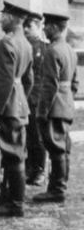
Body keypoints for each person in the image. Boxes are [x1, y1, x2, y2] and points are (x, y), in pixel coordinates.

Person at [0, 1, 34, 218]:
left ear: (13, 19)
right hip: (19, 105)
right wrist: (21, 98)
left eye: (3, 16)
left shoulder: (6, 44)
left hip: (8, 108)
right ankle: (9, 199)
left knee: (13, 155)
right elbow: (29, 80)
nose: (0, 20)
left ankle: (15, 204)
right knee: (14, 154)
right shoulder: (25, 43)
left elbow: (3, 82)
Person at [33, 12, 78, 203]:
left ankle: (57, 189)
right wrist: (67, 99)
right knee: (63, 147)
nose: (43, 29)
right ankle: (59, 185)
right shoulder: (69, 49)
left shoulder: (52, 51)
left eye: (46, 26)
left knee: (56, 148)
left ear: (53, 28)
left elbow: (49, 85)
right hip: (65, 104)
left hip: (54, 107)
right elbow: (74, 83)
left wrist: (42, 111)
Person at [24, 12, 48, 187]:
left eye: (29, 26)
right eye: (24, 26)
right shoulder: (23, 46)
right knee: (26, 136)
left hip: (38, 99)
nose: (25, 29)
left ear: (39, 27)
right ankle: (28, 169)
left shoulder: (45, 49)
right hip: (24, 98)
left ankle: (39, 170)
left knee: (37, 136)